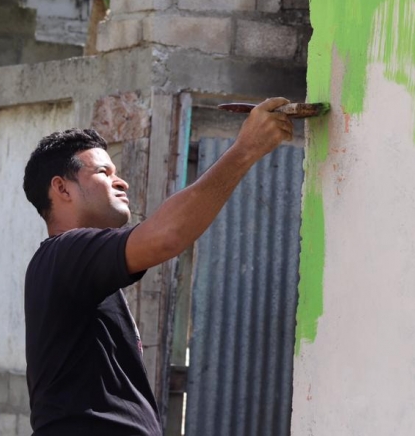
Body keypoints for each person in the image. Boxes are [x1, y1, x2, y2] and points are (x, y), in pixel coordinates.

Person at [21, 97, 294, 435]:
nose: (121, 182)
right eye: (104, 173)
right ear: (61, 188)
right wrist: (245, 149)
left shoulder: (74, 264)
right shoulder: (64, 254)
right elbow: (167, 235)